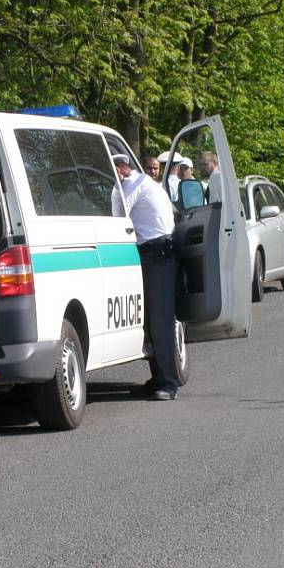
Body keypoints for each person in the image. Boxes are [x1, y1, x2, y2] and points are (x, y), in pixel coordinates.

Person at [111, 153, 180, 401]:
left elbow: (117, 217)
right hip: (155, 252)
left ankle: (168, 383)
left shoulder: (131, 185)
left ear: (121, 169)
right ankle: (159, 377)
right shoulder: (143, 182)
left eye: (114, 170)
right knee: (152, 320)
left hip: (157, 254)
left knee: (159, 320)